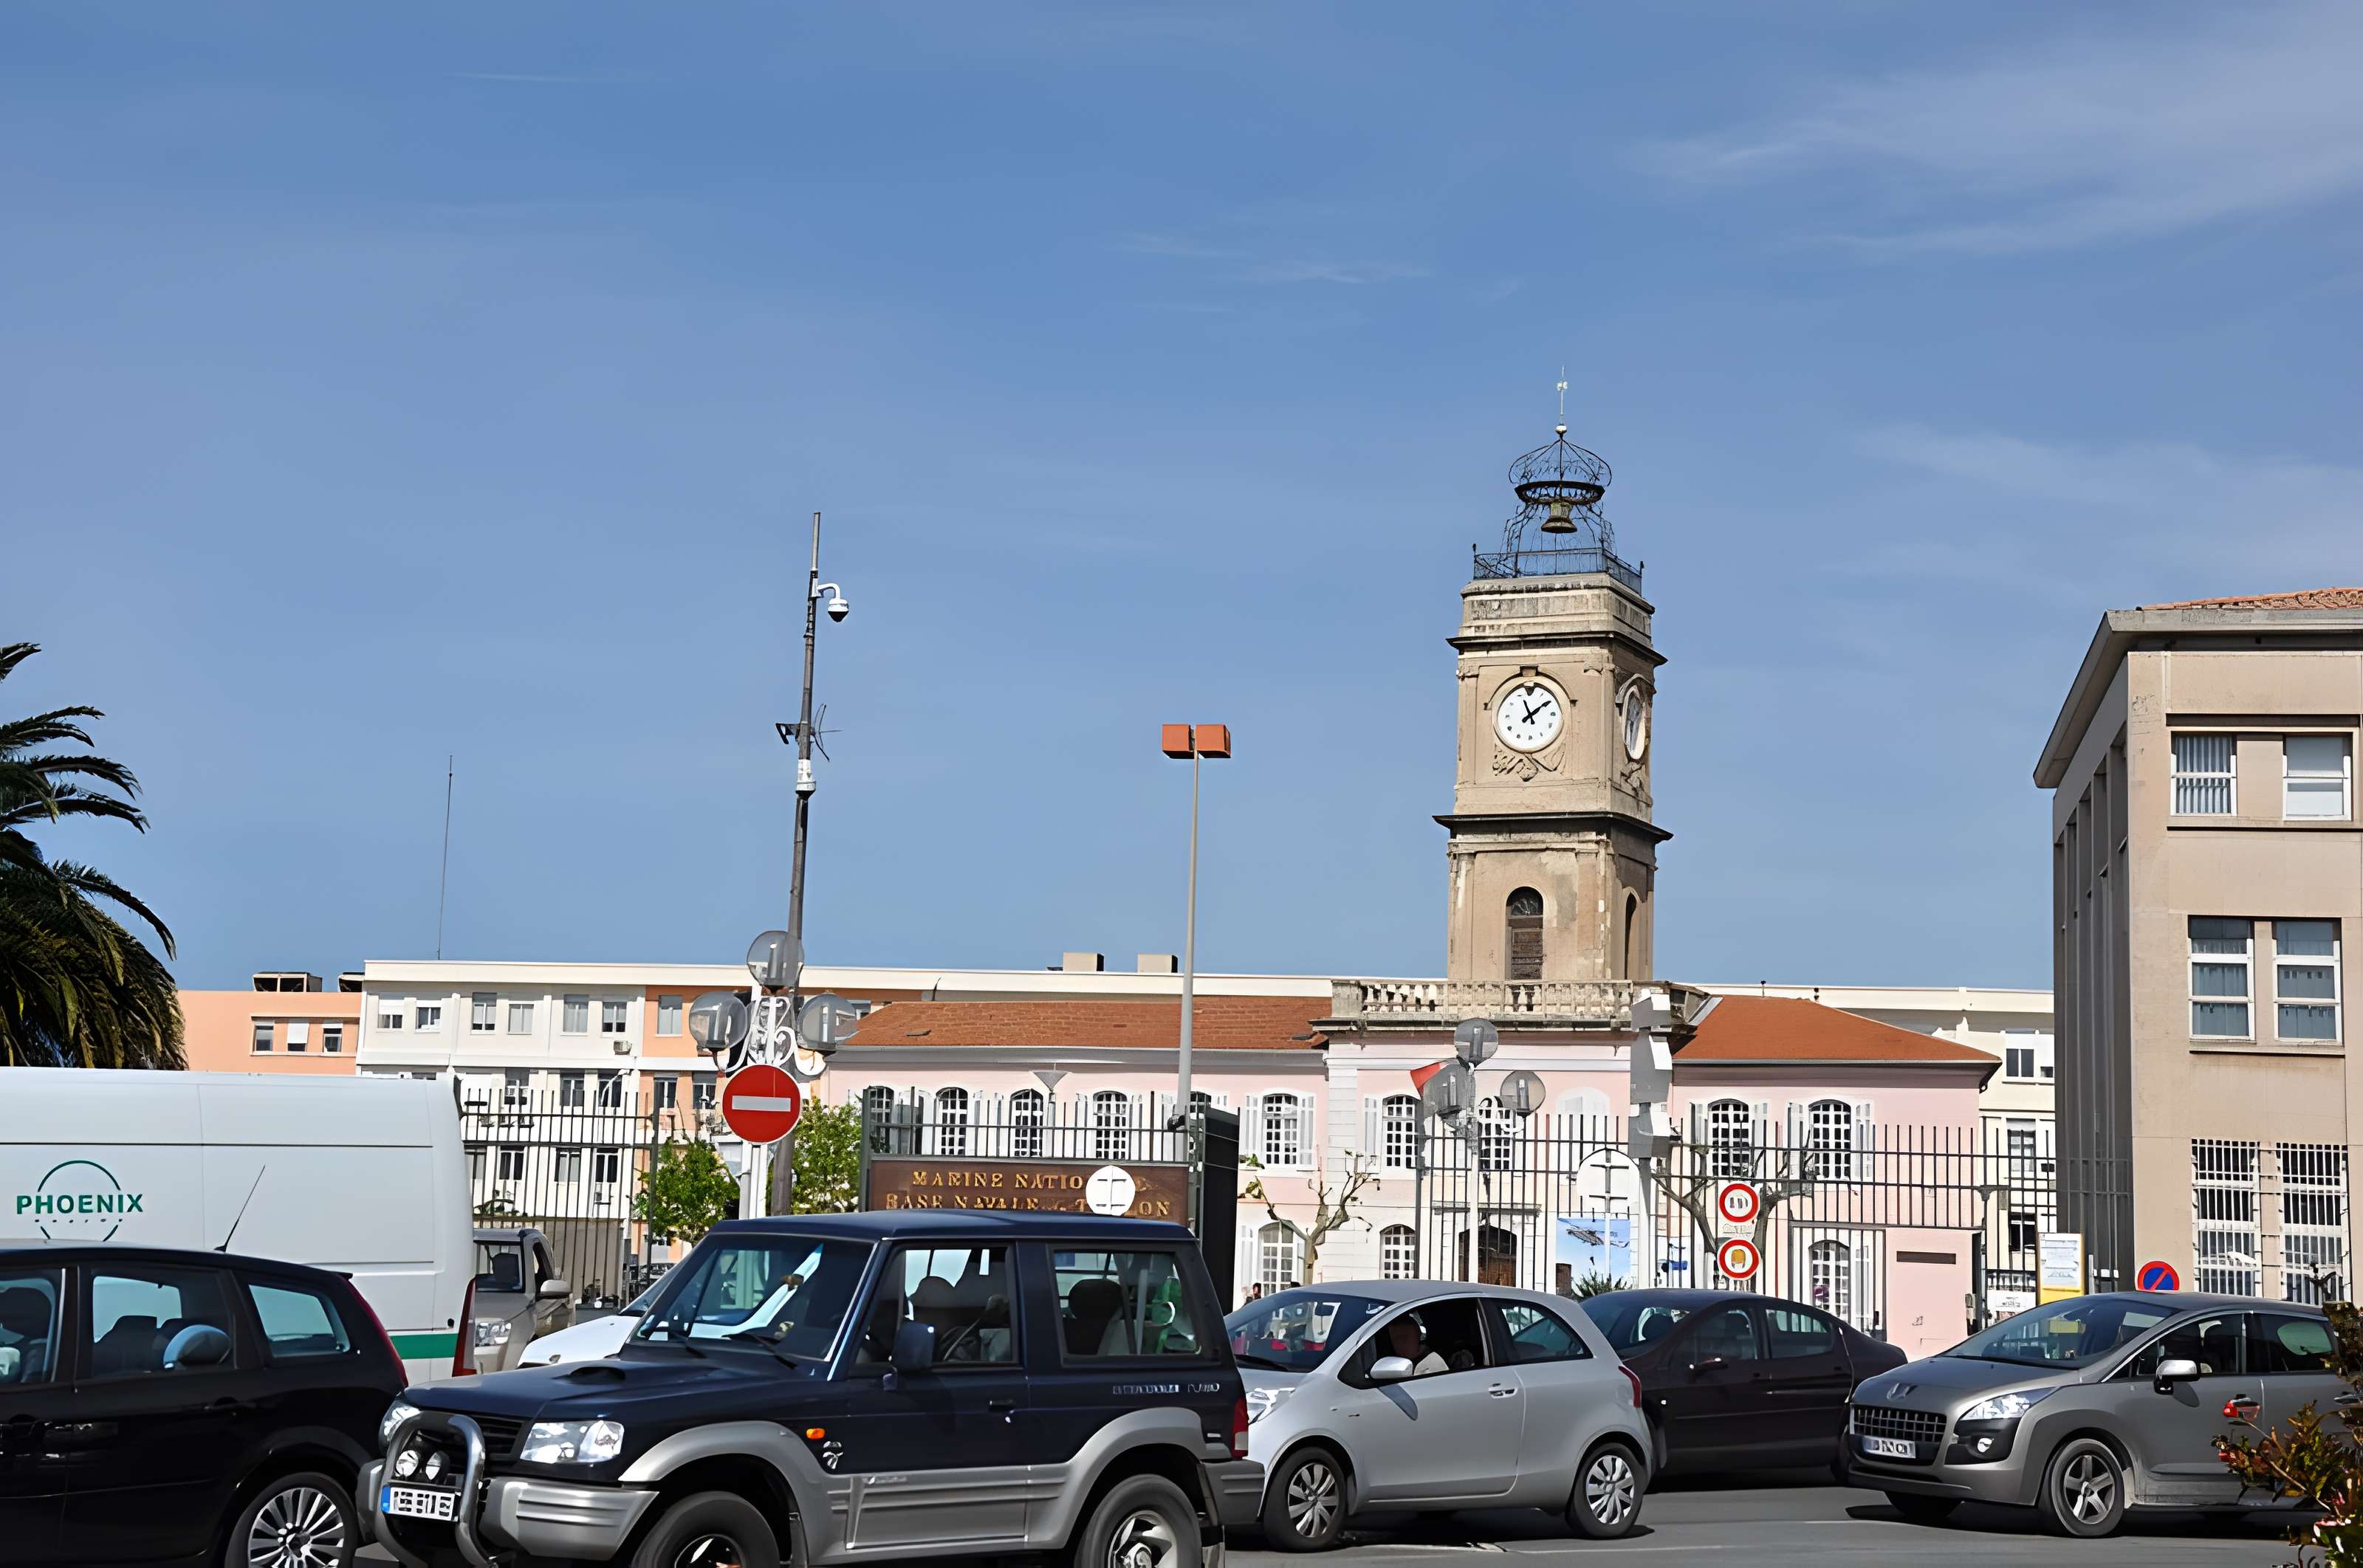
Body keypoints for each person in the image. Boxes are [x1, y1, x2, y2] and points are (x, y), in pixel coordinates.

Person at [1383, 1314, 1447, 1377]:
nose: (1398, 1345)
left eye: (1403, 1338)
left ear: (1418, 1335)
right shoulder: (1393, 1365)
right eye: (1394, 1340)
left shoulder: (1431, 1364)